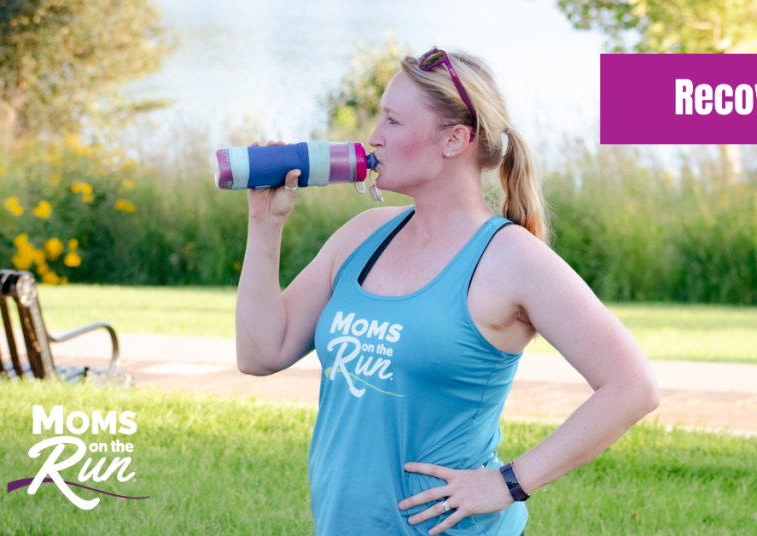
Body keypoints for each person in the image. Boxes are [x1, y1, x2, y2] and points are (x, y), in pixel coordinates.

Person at [235, 46, 660, 536]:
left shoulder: (510, 258)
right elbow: (261, 352)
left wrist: (508, 483)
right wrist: (264, 225)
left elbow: (633, 387)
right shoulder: (363, 235)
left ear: (455, 139)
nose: (374, 137)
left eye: (393, 121)